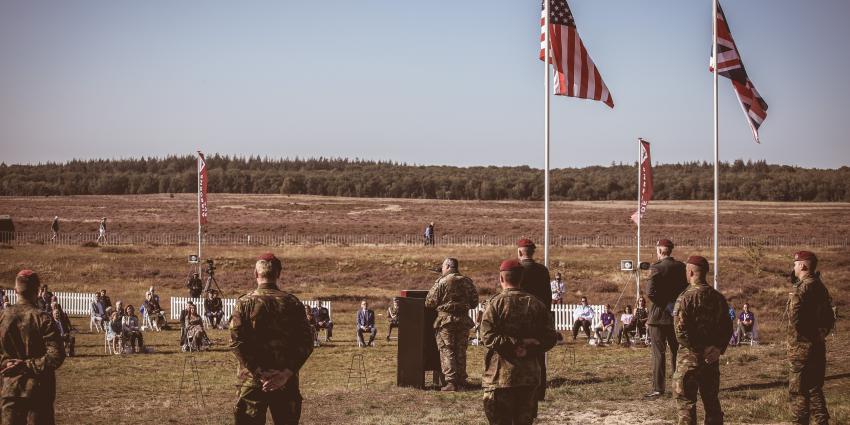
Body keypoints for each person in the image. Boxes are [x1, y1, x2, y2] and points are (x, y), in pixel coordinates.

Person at [230, 252, 314, 425]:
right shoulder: (292, 303)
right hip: (285, 381)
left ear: (255, 274)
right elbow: (306, 342)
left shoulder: (245, 303)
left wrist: (258, 373)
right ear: (278, 274)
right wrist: (286, 373)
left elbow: (237, 342)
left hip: (251, 381)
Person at [481, 259, 558, 425]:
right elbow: (551, 337)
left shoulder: (495, 304)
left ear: (501, 279)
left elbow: (487, 336)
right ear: (521, 279)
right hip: (529, 376)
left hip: (500, 377)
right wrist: (527, 346)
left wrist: (514, 343)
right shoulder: (536, 304)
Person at [672, 256, 732, 425]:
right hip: (711, 359)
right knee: (711, 402)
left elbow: (680, 332)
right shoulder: (718, 298)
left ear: (690, 272)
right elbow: (727, 327)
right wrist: (718, 348)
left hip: (689, 360)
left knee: (686, 404)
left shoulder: (685, 298)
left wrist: (697, 349)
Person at [0, 270, 65, 424]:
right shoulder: (43, 318)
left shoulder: (2, 317)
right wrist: (27, 365)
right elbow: (56, 356)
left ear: (15, 291)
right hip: (39, 391)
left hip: (9, 389)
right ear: (37, 291)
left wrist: (5, 364)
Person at [787, 251, 835, 425]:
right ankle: (822, 421)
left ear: (803, 266)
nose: (793, 267)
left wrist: (807, 336)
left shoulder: (802, 288)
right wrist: (821, 333)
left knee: (798, 392)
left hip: (801, 350)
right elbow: (830, 316)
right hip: (817, 347)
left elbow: (795, 319)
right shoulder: (820, 286)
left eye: (795, 264)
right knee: (814, 389)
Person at [425, 257, 479, 391]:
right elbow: (474, 302)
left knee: (447, 349)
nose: (442, 269)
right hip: (463, 321)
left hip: (446, 321)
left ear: (448, 266)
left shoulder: (441, 282)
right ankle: (461, 381)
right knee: (460, 350)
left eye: (443, 267)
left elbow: (429, 302)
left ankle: (451, 382)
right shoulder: (467, 281)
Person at [645, 239, 688, 399]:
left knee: (658, 354)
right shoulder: (681, 267)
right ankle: (680, 386)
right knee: (677, 353)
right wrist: (675, 306)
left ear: (659, 250)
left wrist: (666, 304)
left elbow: (650, 292)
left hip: (658, 317)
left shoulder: (656, 268)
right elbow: (686, 289)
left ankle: (658, 388)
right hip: (676, 316)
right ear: (670, 250)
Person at [516, 238, 552, 402]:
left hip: (521, 320)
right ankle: (539, 392)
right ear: (533, 252)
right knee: (538, 356)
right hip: (539, 319)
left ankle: (521, 391)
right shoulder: (543, 271)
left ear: (519, 252)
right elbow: (548, 298)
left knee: (519, 354)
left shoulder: (517, 270)